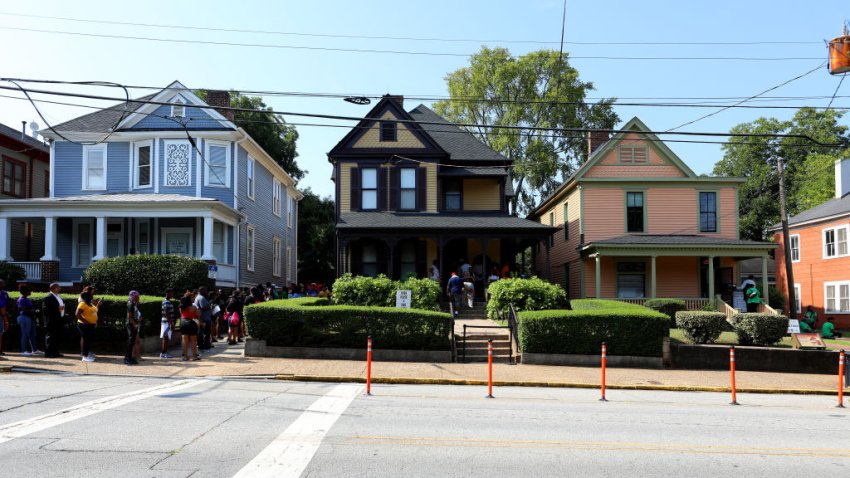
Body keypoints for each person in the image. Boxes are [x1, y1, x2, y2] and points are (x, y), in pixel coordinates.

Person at [16, 285, 42, 356]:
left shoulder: (26, 299)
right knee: (25, 334)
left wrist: (33, 311)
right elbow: (23, 310)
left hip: (30, 318)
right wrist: (34, 311)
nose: (30, 291)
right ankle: (23, 351)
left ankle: (34, 350)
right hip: (25, 318)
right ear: (26, 291)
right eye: (29, 290)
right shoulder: (22, 299)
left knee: (32, 334)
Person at [76, 291, 101, 362]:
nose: (92, 296)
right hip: (84, 325)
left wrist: (98, 304)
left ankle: (86, 355)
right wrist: (85, 321)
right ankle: (84, 356)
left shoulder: (90, 304)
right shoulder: (82, 304)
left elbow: (95, 310)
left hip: (91, 325)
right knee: (86, 340)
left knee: (88, 340)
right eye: (90, 295)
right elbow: (77, 314)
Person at [43, 282, 65, 358]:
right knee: (50, 337)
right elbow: (45, 310)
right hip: (51, 320)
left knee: (56, 337)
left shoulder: (58, 296)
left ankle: (55, 352)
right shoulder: (48, 297)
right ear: (54, 288)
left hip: (58, 319)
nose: (60, 288)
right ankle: (49, 353)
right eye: (58, 287)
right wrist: (57, 309)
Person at [179, 294, 200, 361]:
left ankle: (185, 356)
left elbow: (181, 314)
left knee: (184, 341)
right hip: (191, 323)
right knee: (193, 341)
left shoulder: (181, 308)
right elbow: (198, 315)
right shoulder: (193, 307)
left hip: (183, 323)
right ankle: (194, 356)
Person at [124, 291, 141, 365]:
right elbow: (129, 317)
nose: (138, 297)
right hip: (131, 325)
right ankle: (127, 358)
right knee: (131, 342)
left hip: (134, 325)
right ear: (133, 296)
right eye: (137, 296)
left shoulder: (134, 304)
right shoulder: (130, 304)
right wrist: (135, 325)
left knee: (133, 341)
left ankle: (130, 357)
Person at [194, 287, 213, 352]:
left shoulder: (198, 297)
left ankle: (201, 346)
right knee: (206, 333)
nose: (206, 292)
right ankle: (206, 347)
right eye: (205, 290)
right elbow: (203, 307)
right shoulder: (201, 298)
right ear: (202, 291)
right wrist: (210, 307)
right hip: (204, 319)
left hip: (202, 318)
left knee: (201, 333)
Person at [160, 288, 175, 359]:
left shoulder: (167, 301)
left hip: (167, 321)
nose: (172, 294)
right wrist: (170, 323)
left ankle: (164, 353)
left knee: (166, 338)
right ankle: (163, 353)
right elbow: (166, 313)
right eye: (171, 293)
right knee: (165, 338)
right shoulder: (166, 302)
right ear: (168, 293)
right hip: (166, 322)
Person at [0, 279, 9, 356]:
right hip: (1, 315)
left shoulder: (5, 293)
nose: (3, 285)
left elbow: (6, 305)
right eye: (1, 284)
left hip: (3, 315)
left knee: (1, 334)